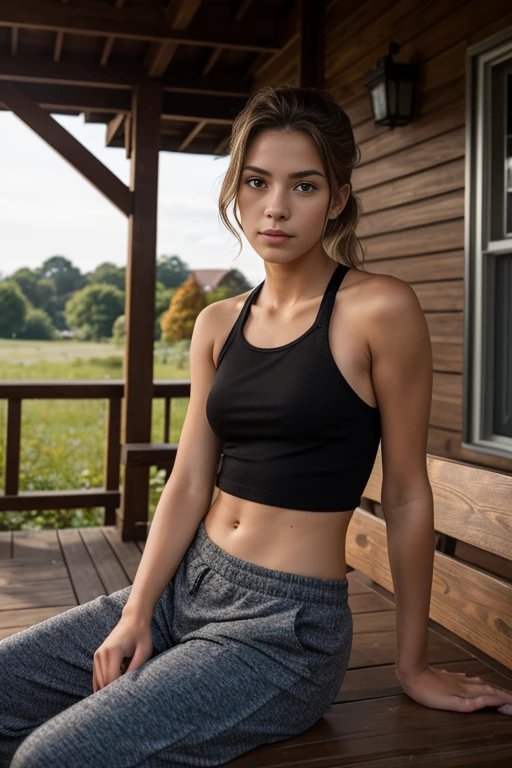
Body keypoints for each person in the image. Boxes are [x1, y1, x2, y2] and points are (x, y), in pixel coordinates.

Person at [1, 85, 511, 768]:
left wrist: (412, 667)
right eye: (257, 182)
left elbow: (410, 493)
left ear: (336, 198)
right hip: (186, 586)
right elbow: (187, 481)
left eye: (303, 185)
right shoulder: (219, 322)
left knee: (50, 758)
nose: (276, 207)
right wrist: (137, 610)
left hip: (282, 633)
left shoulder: (378, 308)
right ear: (236, 192)